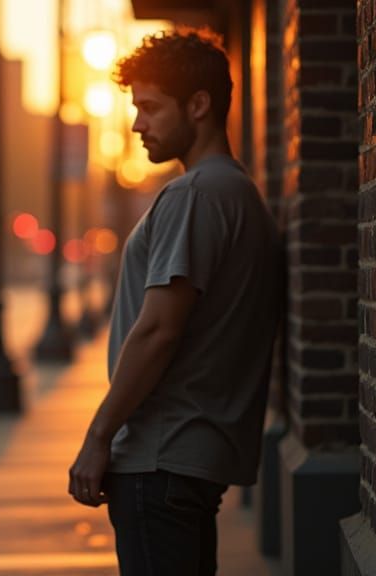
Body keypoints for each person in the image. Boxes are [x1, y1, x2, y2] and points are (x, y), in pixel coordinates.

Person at [67, 28, 281, 575]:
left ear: (200, 105)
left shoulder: (195, 196)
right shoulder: (239, 193)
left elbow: (159, 329)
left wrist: (98, 437)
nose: (138, 123)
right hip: (190, 459)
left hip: (160, 460)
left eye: (150, 107)